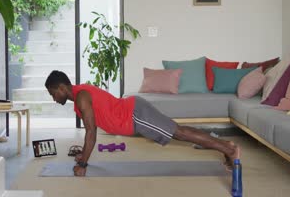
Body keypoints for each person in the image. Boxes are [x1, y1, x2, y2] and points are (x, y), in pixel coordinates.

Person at [45, 70, 240, 177]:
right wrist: (84, 154)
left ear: (62, 87)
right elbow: (92, 128)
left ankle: (229, 148)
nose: (54, 98)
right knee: (179, 131)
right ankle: (226, 147)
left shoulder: (81, 97)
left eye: (53, 93)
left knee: (179, 133)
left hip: (135, 114)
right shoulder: (80, 95)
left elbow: (90, 132)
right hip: (134, 112)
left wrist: (84, 164)